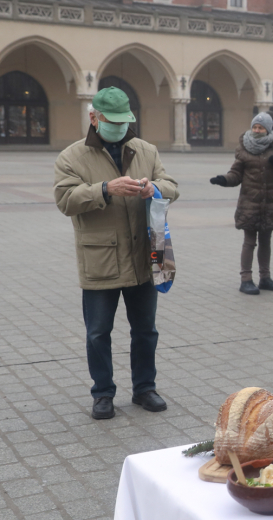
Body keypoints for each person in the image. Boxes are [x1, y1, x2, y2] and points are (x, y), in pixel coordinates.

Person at [53, 87, 179, 420]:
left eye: (125, 122)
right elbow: (65, 200)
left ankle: (145, 388)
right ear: (94, 118)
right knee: (97, 333)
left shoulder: (146, 150)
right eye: (113, 122)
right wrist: (105, 189)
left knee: (146, 330)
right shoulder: (72, 156)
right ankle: (103, 393)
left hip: (143, 257)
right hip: (101, 260)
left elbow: (171, 184)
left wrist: (157, 188)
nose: (120, 129)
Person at [210, 112, 273, 295]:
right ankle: (246, 279)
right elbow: (236, 174)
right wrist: (223, 180)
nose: (257, 130)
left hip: (270, 201)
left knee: (266, 241)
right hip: (250, 202)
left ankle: (265, 278)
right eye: (255, 126)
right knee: (249, 242)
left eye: (260, 127)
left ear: (267, 129)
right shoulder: (244, 147)